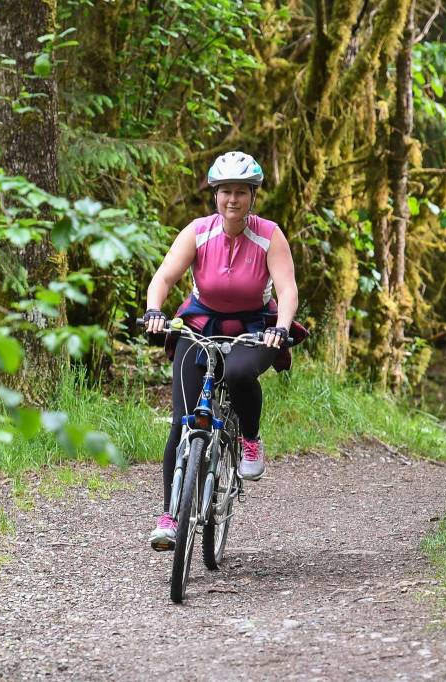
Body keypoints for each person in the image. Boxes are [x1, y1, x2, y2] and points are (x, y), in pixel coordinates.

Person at [143, 151, 298, 551]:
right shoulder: (197, 232)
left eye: (241, 193)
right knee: (182, 424)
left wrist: (280, 328)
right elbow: (164, 276)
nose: (233, 200)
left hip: (255, 329)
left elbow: (287, 288)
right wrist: (154, 310)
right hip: (199, 327)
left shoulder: (269, 234)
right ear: (215, 194)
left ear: (253, 196)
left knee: (240, 373)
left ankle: (249, 438)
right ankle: (169, 517)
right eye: (226, 191)